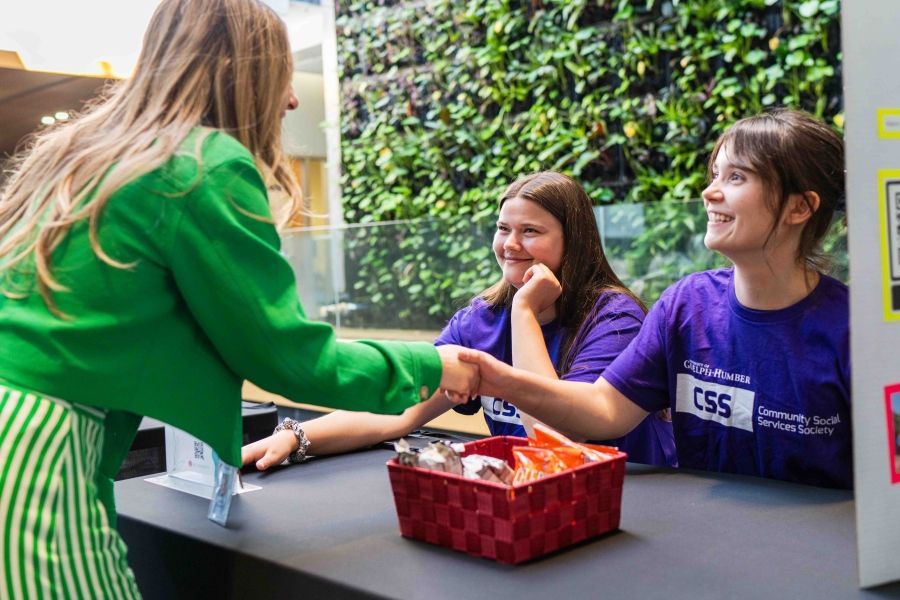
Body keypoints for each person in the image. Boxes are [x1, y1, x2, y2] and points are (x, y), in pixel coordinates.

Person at [0, 1, 476, 597]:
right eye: (281, 72)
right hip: (38, 456)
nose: (293, 99)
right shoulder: (202, 164)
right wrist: (434, 364)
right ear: (240, 70)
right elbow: (284, 356)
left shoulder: (78, 151)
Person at [460, 109, 851, 489]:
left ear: (800, 207)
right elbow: (605, 409)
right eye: (715, 174)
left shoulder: (853, 329)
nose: (709, 192)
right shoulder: (687, 304)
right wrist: (504, 380)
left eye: (736, 177)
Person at [243, 171, 676, 470]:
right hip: (538, 500)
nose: (510, 244)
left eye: (531, 231)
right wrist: (296, 436)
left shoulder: (614, 318)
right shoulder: (482, 319)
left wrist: (524, 312)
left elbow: (556, 440)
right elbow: (401, 412)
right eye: (503, 228)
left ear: (574, 243)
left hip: (626, 503)